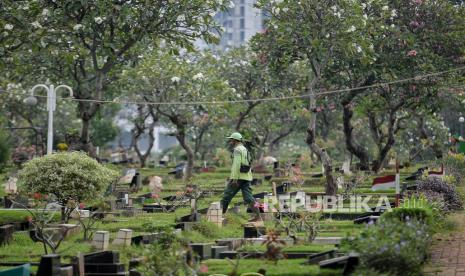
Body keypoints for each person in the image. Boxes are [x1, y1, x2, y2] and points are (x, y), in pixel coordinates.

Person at [221, 132, 261, 222]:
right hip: (246, 177)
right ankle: (258, 215)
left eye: (231, 139)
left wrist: (234, 179)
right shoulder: (245, 149)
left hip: (238, 178)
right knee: (248, 198)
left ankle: (219, 215)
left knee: (227, 196)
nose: (230, 141)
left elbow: (236, 165)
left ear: (235, 140)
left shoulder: (237, 150)